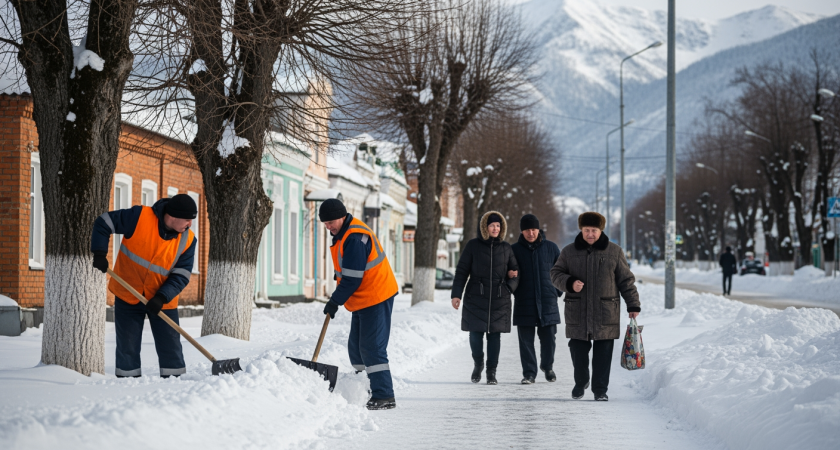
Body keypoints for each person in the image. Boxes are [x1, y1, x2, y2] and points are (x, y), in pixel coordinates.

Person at [90, 194, 197, 378]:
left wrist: (162, 297)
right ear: (173, 216)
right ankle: (127, 385)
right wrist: (99, 252)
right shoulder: (139, 217)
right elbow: (104, 222)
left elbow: (181, 275)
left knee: (171, 347)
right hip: (128, 293)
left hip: (162, 300)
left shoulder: (188, 240)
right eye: (187, 219)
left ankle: (175, 385)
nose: (190, 224)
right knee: (127, 346)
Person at [550, 212, 640, 401]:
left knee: (603, 353)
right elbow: (555, 274)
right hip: (578, 311)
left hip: (605, 312)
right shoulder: (568, 251)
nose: (590, 234)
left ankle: (600, 390)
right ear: (581, 230)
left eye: (594, 230)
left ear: (601, 230)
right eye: (586, 230)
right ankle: (581, 381)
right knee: (577, 349)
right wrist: (570, 283)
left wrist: (633, 304)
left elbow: (626, 280)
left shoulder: (614, 252)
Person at [319, 198, 399, 410]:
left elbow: (352, 278)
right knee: (356, 347)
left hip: (376, 295)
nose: (329, 226)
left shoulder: (354, 238)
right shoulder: (343, 234)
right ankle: (364, 387)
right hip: (363, 298)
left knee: (372, 347)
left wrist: (335, 301)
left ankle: (384, 395)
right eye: (325, 224)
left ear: (343, 215)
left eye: (331, 221)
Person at [451, 211, 519, 385]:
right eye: (492, 225)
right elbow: (461, 271)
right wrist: (456, 294)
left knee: (495, 336)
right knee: (475, 335)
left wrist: (509, 287)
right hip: (476, 296)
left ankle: (491, 372)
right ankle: (478, 362)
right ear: (485, 227)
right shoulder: (473, 246)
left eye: (498, 225)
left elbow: (516, 273)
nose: (495, 228)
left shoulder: (506, 248)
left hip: (499, 298)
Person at [510, 214, 562, 385]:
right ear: (522, 231)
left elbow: (562, 271)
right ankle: (529, 373)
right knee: (525, 341)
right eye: (527, 230)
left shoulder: (552, 248)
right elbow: (508, 273)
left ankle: (548, 367)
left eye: (533, 229)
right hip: (524, 301)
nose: (530, 233)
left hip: (547, 301)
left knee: (549, 339)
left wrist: (556, 291)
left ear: (538, 229)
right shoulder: (514, 250)